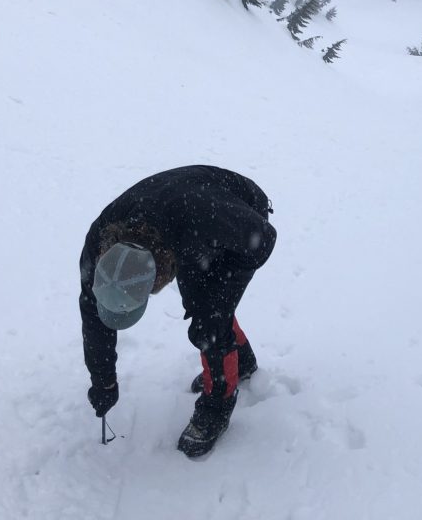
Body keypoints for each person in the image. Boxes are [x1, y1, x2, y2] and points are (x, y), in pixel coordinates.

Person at [78, 165, 276, 458]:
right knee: (205, 307)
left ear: (158, 274)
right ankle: (241, 361)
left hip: (240, 220)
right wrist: (103, 380)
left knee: (209, 318)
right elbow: (93, 311)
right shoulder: (99, 245)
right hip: (181, 218)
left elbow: (263, 239)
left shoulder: (203, 219)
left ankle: (218, 405)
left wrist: (220, 299)